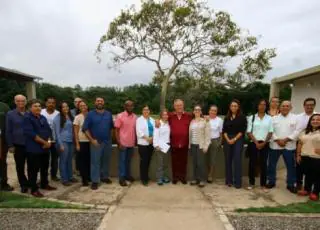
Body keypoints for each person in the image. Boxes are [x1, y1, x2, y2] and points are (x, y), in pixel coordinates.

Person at [23, 99, 57, 197]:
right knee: (33, 170)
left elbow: (49, 131)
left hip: (45, 148)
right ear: (30, 108)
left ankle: (44, 184)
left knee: (45, 168)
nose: (38, 108)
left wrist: (49, 142)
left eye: (39, 106)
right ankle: (34, 189)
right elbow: (31, 134)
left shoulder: (42, 117)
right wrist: (45, 142)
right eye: (35, 106)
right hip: (33, 149)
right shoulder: (27, 118)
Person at [267, 101, 300, 193]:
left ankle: (290, 184)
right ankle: (271, 181)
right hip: (275, 146)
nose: (285, 107)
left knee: (290, 166)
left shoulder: (296, 118)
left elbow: (297, 132)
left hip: (289, 146)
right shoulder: (274, 118)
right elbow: (270, 131)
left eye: (287, 106)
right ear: (280, 107)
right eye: (283, 106)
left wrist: (285, 140)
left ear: (291, 107)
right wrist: (278, 140)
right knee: (272, 165)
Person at [83, 97, 113, 190]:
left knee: (105, 160)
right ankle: (95, 181)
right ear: (95, 103)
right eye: (98, 101)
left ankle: (104, 177)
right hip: (96, 142)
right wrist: (92, 140)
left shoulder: (108, 114)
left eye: (101, 101)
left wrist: (110, 138)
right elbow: (85, 129)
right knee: (95, 162)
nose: (99, 102)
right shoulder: (90, 114)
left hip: (107, 141)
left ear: (104, 103)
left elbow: (111, 127)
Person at [246, 99, 273, 190]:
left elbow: (270, 132)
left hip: (265, 143)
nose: (262, 106)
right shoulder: (252, 117)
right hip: (254, 143)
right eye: (260, 104)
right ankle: (251, 183)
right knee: (252, 163)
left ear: (266, 106)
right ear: (257, 106)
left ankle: (263, 184)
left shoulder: (270, 118)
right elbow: (249, 131)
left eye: (264, 104)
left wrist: (264, 143)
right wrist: (256, 143)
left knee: (263, 164)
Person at [6, 95, 29, 193]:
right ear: (15, 102)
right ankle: (23, 184)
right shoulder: (10, 114)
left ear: (26, 102)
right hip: (18, 144)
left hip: (30, 144)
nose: (21, 103)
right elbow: (8, 131)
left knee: (33, 165)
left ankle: (31, 182)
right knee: (20, 166)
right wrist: (10, 145)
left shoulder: (29, 113)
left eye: (23, 101)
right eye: (18, 101)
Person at [223, 99, 247, 189]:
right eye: (232, 106)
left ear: (238, 107)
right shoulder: (227, 117)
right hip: (227, 139)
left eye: (235, 106)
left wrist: (234, 139)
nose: (233, 107)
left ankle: (238, 182)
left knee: (237, 160)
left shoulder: (242, 117)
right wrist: (228, 139)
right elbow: (224, 130)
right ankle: (229, 181)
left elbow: (242, 131)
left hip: (238, 139)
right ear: (230, 107)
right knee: (228, 160)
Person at [168, 99, 192, 184]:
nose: (179, 107)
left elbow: (199, 116)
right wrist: (157, 122)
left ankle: (182, 177)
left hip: (185, 143)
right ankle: (175, 177)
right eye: (177, 105)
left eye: (180, 105)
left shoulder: (189, 116)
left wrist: (206, 118)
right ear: (174, 107)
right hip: (174, 142)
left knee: (183, 161)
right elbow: (161, 119)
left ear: (183, 106)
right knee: (174, 161)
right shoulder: (170, 116)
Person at [296, 113, 320, 201]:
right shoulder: (305, 131)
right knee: (308, 175)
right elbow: (300, 143)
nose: (315, 121)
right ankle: (307, 190)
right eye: (313, 120)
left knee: (317, 176)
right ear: (310, 121)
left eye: (318, 120)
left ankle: (315, 192)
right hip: (305, 156)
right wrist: (298, 155)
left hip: (317, 158)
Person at [114, 100, 137, 187]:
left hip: (131, 143)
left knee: (128, 161)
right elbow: (116, 130)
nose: (130, 107)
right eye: (128, 106)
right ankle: (122, 178)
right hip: (122, 143)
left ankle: (127, 175)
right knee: (122, 162)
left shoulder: (135, 117)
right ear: (125, 106)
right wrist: (118, 142)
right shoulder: (120, 116)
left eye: (132, 106)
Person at [296, 98, 317, 190]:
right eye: (307, 105)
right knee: (300, 167)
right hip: (301, 144)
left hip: (315, 148)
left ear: (314, 105)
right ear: (304, 106)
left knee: (313, 170)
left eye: (311, 104)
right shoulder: (298, 117)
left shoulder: (318, 115)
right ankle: (299, 184)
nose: (309, 106)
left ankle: (311, 188)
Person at [53, 102, 75, 186]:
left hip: (71, 141)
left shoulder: (70, 116)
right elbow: (57, 133)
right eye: (63, 107)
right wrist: (60, 144)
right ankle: (64, 179)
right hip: (63, 141)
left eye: (67, 106)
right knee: (63, 160)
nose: (65, 108)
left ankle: (70, 177)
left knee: (69, 160)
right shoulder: (57, 118)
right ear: (60, 109)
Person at [189, 105, 211, 188]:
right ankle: (195, 178)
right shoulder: (192, 122)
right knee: (194, 163)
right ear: (193, 112)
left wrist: (206, 146)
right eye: (195, 110)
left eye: (199, 110)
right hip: (193, 145)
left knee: (201, 163)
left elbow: (208, 135)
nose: (197, 111)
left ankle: (202, 180)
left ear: (201, 112)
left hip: (201, 145)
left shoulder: (205, 121)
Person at [41, 96, 60, 181]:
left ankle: (54, 175)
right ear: (46, 103)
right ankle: (43, 176)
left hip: (54, 139)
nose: (51, 104)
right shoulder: (41, 112)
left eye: (53, 103)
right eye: (49, 102)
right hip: (44, 140)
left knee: (55, 159)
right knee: (44, 159)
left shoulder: (58, 113)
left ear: (55, 104)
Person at [136, 105, 155, 186]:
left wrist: (153, 138)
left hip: (151, 143)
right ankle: (143, 179)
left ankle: (146, 176)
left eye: (147, 110)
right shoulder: (139, 120)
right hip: (143, 144)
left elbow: (155, 130)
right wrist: (147, 138)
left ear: (149, 111)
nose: (146, 111)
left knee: (148, 161)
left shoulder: (152, 120)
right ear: (142, 111)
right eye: (144, 110)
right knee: (144, 161)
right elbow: (138, 131)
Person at [73, 101, 90, 186]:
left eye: (84, 105)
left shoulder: (91, 115)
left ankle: (89, 177)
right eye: (81, 106)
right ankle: (84, 179)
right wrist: (77, 144)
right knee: (82, 161)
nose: (83, 106)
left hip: (91, 141)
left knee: (89, 160)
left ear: (87, 106)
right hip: (82, 141)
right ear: (79, 107)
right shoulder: (77, 117)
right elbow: (75, 132)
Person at [153, 109, 171, 186]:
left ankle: (164, 177)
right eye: (163, 114)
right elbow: (155, 135)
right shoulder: (158, 124)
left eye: (166, 114)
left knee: (165, 163)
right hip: (160, 146)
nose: (165, 116)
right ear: (161, 116)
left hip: (167, 145)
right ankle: (159, 178)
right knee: (160, 163)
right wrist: (156, 145)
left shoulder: (168, 124)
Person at [207, 105, 223, 183]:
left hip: (215, 141)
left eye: (215, 111)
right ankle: (204, 174)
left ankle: (210, 175)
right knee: (204, 158)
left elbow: (221, 133)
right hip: (205, 141)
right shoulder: (205, 119)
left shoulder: (219, 120)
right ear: (209, 111)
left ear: (216, 112)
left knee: (212, 159)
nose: (213, 112)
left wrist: (219, 143)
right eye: (212, 110)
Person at [0, 101, 14, 191]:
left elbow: (9, 123)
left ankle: (3, 183)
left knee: (2, 162)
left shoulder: (4, 106)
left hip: (2, 140)